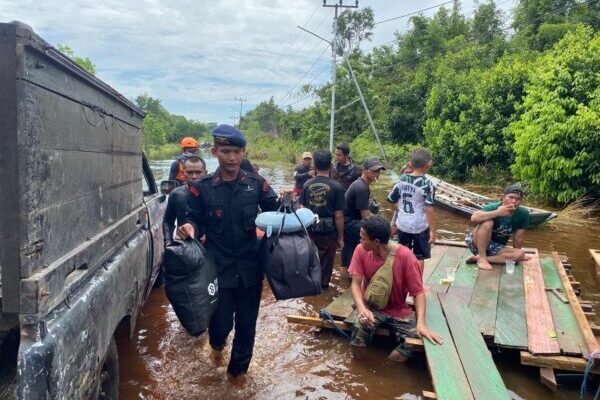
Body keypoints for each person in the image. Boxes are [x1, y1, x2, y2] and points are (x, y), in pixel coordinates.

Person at [176, 124, 279, 376]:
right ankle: (216, 346)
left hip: (250, 270)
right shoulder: (202, 187)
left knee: (246, 327)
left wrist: (288, 205)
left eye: (236, 152)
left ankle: (237, 377)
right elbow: (193, 218)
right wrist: (188, 227)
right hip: (217, 270)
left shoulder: (257, 184)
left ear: (243, 153)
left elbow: (273, 213)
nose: (231, 157)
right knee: (220, 326)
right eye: (225, 151)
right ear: (214, 152)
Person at [349, 216, 443, 362]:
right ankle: (360, 366)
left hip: (399, 310)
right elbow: (355, 284)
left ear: (376, 242)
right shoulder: (360, 250)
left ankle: (388, 366)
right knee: (358, 329)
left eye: (363, 238)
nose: (360, 241)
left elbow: (418, 293)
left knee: (415, 339)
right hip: (371, 307)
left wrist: (421, 323)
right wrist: (362, 309)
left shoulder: (406, 257)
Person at [300, 149, 345, 289]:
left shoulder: (307, 185)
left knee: (311, 260)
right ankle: (323, 290)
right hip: (329, 231)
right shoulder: (337, 187)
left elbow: (302, 209)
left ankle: (310, 288)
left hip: (311, 229)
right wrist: (341, 237)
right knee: (326, 263)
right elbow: (338, 215)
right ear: (331, 165)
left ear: (315, 166)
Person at [387, 149, 435, 274]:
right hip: (419, 226)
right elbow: (429, 209)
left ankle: (403, 282)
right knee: (419, 256)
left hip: (403, 224)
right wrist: (433, 231)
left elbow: (391, 199)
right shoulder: (428, 183)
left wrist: (400, 209)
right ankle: (417, 285)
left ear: (411, 164)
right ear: (427, 165)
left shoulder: (402, 179)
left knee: (403, 254)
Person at [465, 184, 531, 270]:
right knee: (488, 222)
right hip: (477, 242)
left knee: (521, 254)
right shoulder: (493, 207)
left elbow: (518, 238)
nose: (514, 201)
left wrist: (516, 255)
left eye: (518, 199)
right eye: (511, 197)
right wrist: (498, 212)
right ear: (503, 198)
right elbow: (474, 218)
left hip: (496, 246)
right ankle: (482, 258)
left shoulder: (523, 213)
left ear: (521, 201)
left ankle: (478, 258)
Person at [342, 157, 385, 271]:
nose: (377, 173)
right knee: (376, 235)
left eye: (379, 170)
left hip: (348, 223)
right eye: (374, 170)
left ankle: (348, 274)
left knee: (348, 255)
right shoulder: (361, 188)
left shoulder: (360, 184)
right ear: (364, 170)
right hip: (351, 224)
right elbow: (366, 218)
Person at [162, 156, 207, 246]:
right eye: (189, 173)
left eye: (198, 173)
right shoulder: (176, 194)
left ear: (205, 173)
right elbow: (168, 221)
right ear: (183, 173)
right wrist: (168, 242)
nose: (194, 176)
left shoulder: (213, 193)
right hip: (185, 244)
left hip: (210, 244)